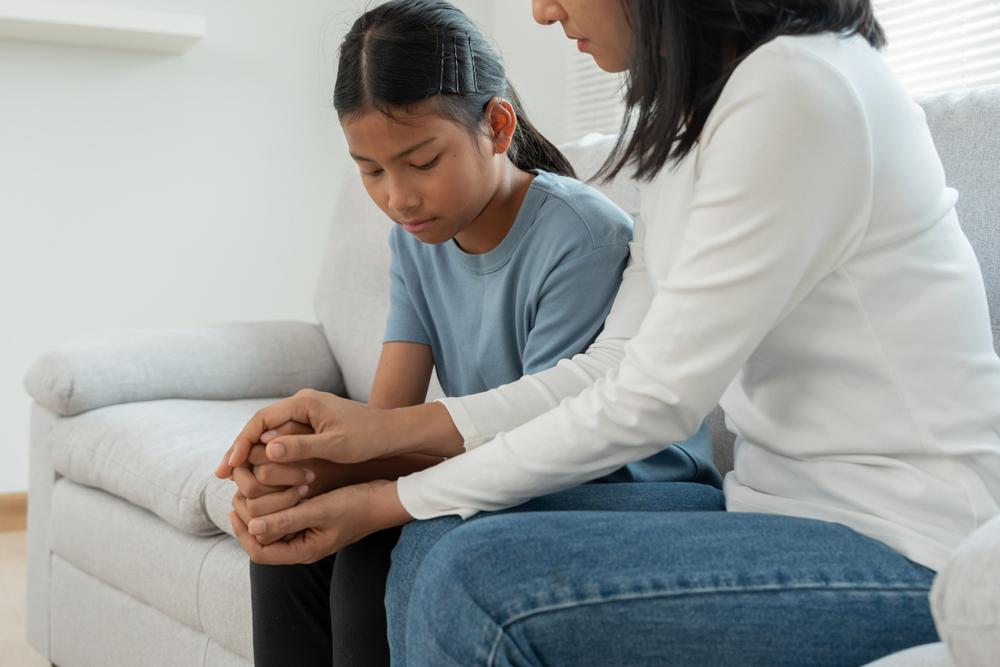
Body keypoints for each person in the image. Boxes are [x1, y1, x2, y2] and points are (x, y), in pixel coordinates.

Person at [218, 0, 1000, 664]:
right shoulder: (704, 112)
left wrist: (391, 494)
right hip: (774, 512)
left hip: (909, 547)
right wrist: (369, 450)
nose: (541, 11)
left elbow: (652, 401)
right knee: (433, 540)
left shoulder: (798, 84)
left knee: (467, 576)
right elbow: (613, 366)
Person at [216, 1, 716, 665]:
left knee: (371, 544)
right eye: (371, 170)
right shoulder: (417, 243)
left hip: (620, 487)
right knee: (290, 538)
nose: (399, 197)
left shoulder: (581, 236)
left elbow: (550, 439)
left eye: (422, 161)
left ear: (497, 125)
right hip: (510, 468)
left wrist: (341, 474)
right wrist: (294, 470)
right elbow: (388, 423)